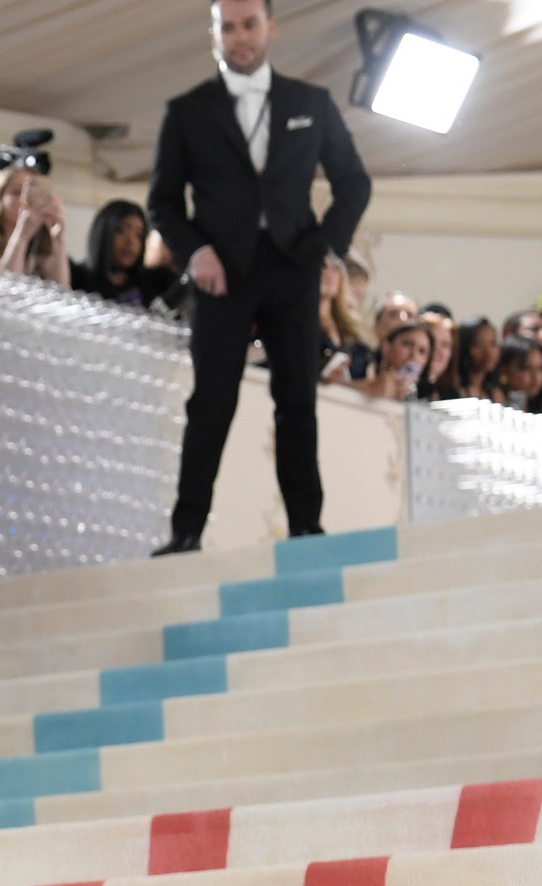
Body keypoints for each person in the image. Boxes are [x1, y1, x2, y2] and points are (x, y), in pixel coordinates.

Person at [146, 0, 371, 553]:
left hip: (293, 270)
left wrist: (327, 250)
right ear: (214, 34)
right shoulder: (187, 111)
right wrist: (195, 251)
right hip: (222, 275)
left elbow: (354, 183)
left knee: (297, 400)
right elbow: (162, 203)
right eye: (228, 26)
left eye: (249, 25)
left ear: (271, 27)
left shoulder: (310, 102)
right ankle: (186, 533)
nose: (240, 37)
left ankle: (306, 531)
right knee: (211, 401)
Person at [0, 165, 71, 287]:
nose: (24, 200)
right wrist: (22, 235)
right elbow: (7, 289)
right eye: (16, 192)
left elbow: (61, 290)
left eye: (31, 193)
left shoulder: (40, 254)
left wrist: (59, 240)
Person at [73, 198, 180, 308]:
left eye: (139, 235)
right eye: (122, 230)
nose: (131, 241)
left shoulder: (153, 283)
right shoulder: (78, 279)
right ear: (104, 232)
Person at [317, 255, 377, 380]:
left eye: (335, 266)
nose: (329, 272)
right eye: (322, 265)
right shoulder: (293, 325)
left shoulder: (351, 333)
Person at [345, 319, 428, 401]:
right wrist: (370, 389)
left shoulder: (421, 399)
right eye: (407, 344)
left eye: (422, 351)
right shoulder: (355, 367)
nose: (414, 354)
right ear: (386, 347)